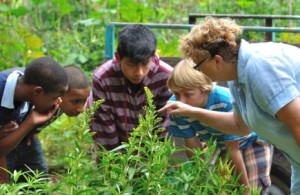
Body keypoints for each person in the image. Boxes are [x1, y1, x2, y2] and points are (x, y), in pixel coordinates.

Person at [158, 17, 300, 194]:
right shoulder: (237, 79)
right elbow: (240, 127)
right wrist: (192, 112)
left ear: (217, 60)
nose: (198, 71)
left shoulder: (260, 68)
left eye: (198, 66)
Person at [167, 59, 273, 194]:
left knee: (254, 187)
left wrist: (246, 190)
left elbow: (232, 150)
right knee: (222, 187)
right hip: (220, 145)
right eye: (176, 94)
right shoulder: (176, 106)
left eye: (188, 94)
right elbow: (192, 145)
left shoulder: (225, 102)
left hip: (251, 141)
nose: (181, 101)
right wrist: (202, 180)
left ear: (205, 89)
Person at [88, 24, 173, 151]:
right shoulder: (102, 78)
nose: (139, 72)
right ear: (118, 57)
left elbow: (162, 124)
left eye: (145, 64)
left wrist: (152, 158)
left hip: (148, 143)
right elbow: (105, 128)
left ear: (153, 56)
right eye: (131, 64)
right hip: (113, 137)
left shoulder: (166, 76)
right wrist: (115, 163)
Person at [5, 65, 90, 182]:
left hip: (27, 137)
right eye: (76, 101)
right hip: (8, 140)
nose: (81, 109)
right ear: (60, 94)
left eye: (84, 101)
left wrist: (31, 131)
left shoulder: (58, 103)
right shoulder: (39, 97)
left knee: (38, 179)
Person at [0, 56, 69, 183]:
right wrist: (29, 123)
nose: (58, 102)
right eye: (55, 97)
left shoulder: (26, 88)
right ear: (37, 91)